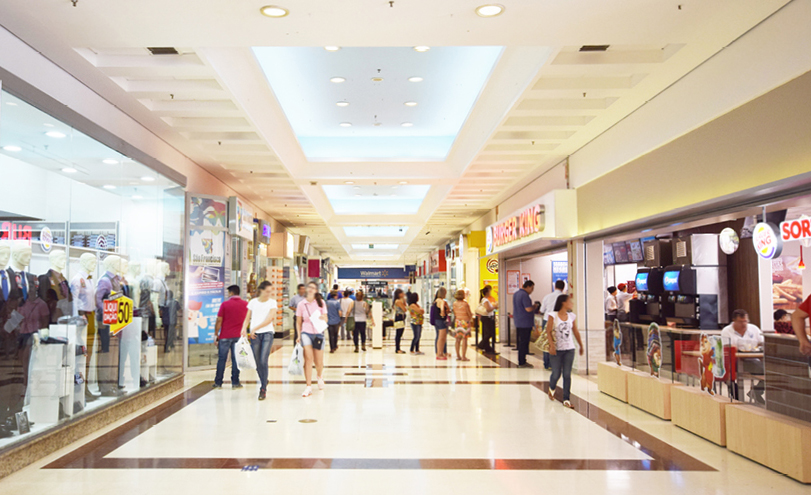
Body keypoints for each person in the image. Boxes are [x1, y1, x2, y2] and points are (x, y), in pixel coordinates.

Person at [546, 294, 584, 409]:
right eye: (569, 301)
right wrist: (552, 346)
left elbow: (575, 331)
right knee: (556, 373)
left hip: (569, 349)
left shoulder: (572, 316)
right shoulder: (553, 315)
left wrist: (580, 345)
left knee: (567, 374)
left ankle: (566, 399)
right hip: (556, 349)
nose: (571, 303)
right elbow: (548, 331)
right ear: (563, 303)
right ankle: (552, 387)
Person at [241, 281, 277, 401]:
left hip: (267, 333)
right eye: (267, 291)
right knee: (256, 362)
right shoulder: (253, 302)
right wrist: (243, 330)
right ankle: (263, 379)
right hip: (254, 335)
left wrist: (255, 328)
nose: (269, 293)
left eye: (270, 291)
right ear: (261, 290)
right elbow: (247, 318)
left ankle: (263, 389)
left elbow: (269, 319)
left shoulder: (272, 303)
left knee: (263, 359)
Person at [721, 309, 765, 403]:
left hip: (753, 358)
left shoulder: (753, 328)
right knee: (764, 370)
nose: (744, 324)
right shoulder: (727, 331)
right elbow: (728, 349)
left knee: (771, 371)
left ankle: (756, 391)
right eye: (740, 322)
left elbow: (762, 342)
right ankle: (739, 395)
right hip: (734, 361)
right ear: (734, 321)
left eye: (745, 321)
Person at [296, 282, 328, 397]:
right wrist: (299, 335)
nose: (311, 289)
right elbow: (298, 321)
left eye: (313, 288)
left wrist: (322, 318)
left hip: (318, 333)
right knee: (308, 359)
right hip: (306, 333)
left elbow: (326, 318)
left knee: (319, 361)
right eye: (309, 287)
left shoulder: (321, 303)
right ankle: (308, 386)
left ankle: (319, 376)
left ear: (316, 290)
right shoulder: (301, 304)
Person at [213, 285, 248, 389]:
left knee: (222, 359)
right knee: (236, 359)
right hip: (238, 336)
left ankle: (218, 382)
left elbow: (219, 320)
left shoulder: (225, 304)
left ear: (231, 293)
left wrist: (216, 334)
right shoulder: (246, 305)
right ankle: (235, 382)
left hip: (225, 336)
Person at [539, 280, 566, 369]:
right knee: (559, 342)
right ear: (563, 288)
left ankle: (547, 364)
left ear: (555, 287)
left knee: (547, 341)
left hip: (547, 320)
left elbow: (542, 310)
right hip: (559, 321)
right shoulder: (565, 298)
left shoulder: (547, 296)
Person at [513, 280, 540, 368]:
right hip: (525, 322)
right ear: (528, 286)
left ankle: (521, 360)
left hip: (518, 321)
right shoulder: (525, 295)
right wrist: (535, 306)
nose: (532, 290)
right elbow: (528, 309)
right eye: (532, 288)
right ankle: (522, 361)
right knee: (524, 343)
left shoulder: (516, 294)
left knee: (521, 342)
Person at [452, 289, 473, 361]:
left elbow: (454, 313)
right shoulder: (465, 304)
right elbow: (469, 313)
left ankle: (458, 355)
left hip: (458, 321)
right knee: (464, 339)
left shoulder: (454, 303)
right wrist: (470, 318)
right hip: (465, 322)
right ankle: (463, 356)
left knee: (457, 339)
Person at [478, 285, 498, 354]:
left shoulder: (484, 299)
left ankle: (487, 347)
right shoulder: (485, 300)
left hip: (486, 317)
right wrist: (494, 306)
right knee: (489, 333)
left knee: (487, 333)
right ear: (487, 292)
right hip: (487, 318)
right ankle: (481, 344)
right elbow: (488, 309)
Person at [432, 288, 451, 360]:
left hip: (437, 320)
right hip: (441, 320)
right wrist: (443, 313)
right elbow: (443, 310)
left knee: (439, 337)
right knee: (442, 338)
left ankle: (439, 352)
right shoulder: (441, 301)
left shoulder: (436, 301)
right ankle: (440, 354)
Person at [393, 289, 408, 354]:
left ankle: (398, 348)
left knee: (400, 333)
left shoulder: (400, 301)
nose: (403, 294)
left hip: (401, 317)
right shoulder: (398, 301)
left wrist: (404, 301)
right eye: (402, 293)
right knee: (399, 333)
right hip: (399, 317)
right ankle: (397, 348)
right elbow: (405, 309)